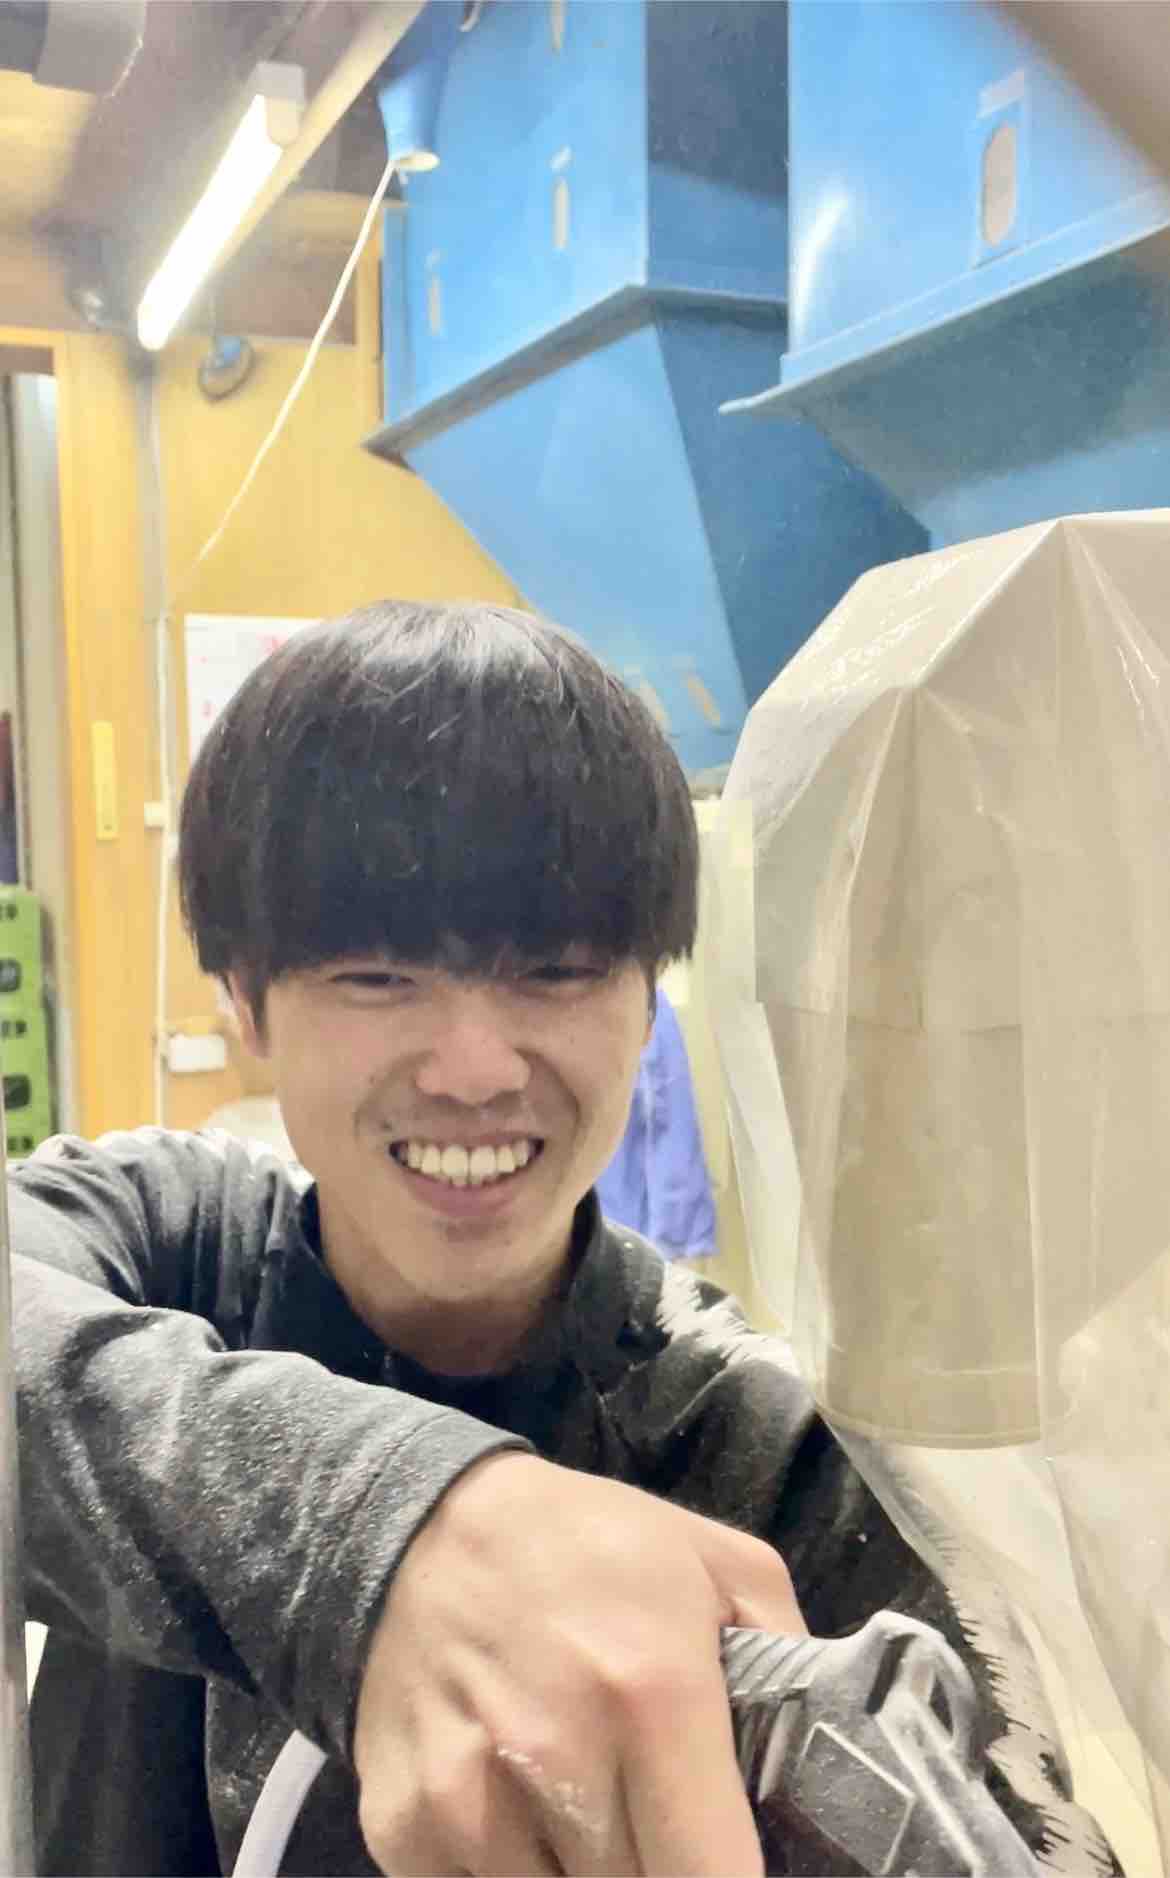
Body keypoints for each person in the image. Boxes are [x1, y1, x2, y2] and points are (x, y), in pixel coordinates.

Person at [13, 601, 1113, 1878]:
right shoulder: (161, 1239)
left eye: (557, 971)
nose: (476, 1069)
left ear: (649, 1005)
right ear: (245, 1003)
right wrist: (373, 1535)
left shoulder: (777, 1464)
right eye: (379, 977)